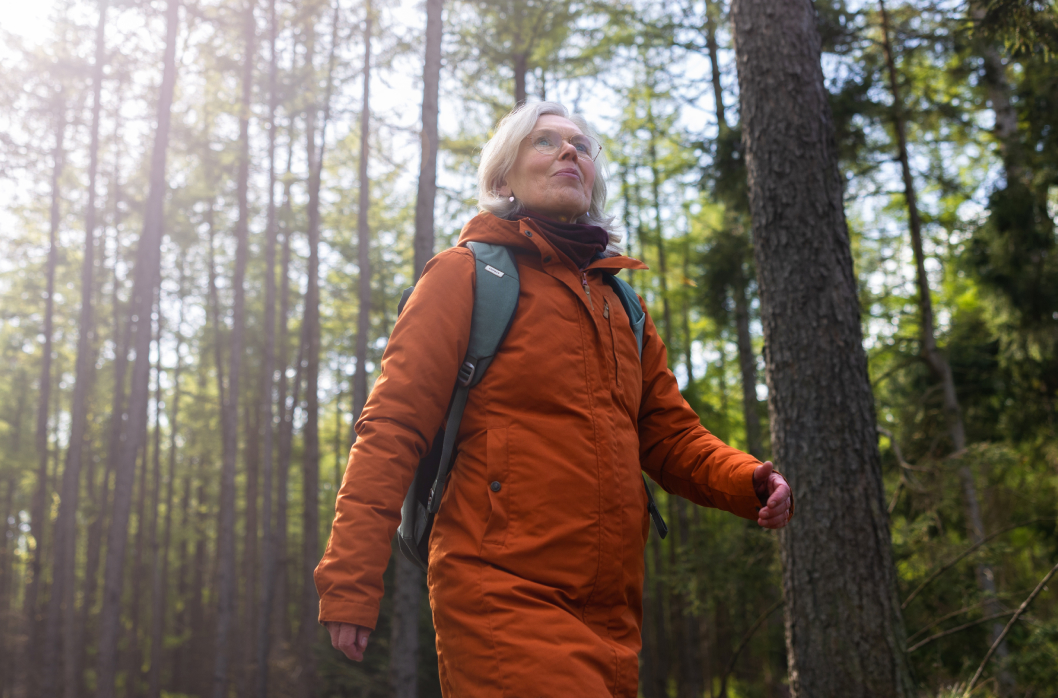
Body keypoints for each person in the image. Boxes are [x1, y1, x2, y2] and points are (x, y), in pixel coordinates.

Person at [314, 100, 793, 697]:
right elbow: (391, 427)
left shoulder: (622, 305)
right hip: (500, 592)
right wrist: (351, 580)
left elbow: (670, 436)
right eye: (545, 142)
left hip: (614, 614)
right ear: (502, 178)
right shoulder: (463, 276)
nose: (570, 151)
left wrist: (746, 480)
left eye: (582, 146)